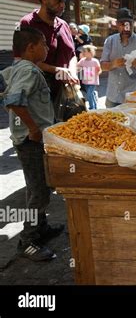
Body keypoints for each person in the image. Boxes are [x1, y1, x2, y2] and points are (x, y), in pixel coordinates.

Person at [2, 27, 63, 261]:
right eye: (44, 45)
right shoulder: (29, 70)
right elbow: (14, 101)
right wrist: (33, 128)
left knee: (39, 185)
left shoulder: (19, 68)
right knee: (39, 192)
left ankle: (41, 228)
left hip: (27, 140)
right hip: (31, 142)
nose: (47, 49)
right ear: (31, 48)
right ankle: (27, 241)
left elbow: (3, 87)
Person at [19, 0, 79, 106]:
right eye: (58, 0)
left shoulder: (64, 25)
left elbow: (72, 54)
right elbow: (26, 61)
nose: (62, 5)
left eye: (64, 2)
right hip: (39, 95)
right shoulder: (28, 23)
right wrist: (57, 70)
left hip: (64, 94)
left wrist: (71, 72)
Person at [100, 8, 136, 108]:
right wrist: (114, 64)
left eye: (128, 24)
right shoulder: (110, 41)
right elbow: (103, 67)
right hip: (113, 97)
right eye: (122, 24)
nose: (126, 28)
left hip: (135, 97)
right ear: (117, 24)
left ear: (133, 24)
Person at [78, 45, 101, 110]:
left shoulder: (95, 61)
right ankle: (95, 105)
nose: (83, 53)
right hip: (85, 81)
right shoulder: (82, 60)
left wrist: (96, 73)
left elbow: (99, 70)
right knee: (90, 94)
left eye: (84, 51)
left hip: (93, 81)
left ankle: (92, 107)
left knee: (89, 94)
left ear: (90, 52)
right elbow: (77, 66)